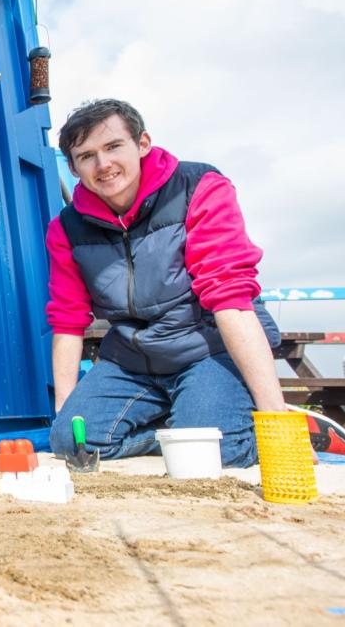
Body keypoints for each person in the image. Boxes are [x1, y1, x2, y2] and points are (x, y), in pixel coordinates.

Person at [46, 99, 284, 467]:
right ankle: (180, 427)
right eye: (87, 155)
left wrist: (278, 419)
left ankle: (227, 424)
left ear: (142, 144)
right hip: (132, 360)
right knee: (69, 445)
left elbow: (230, 299)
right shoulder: (66, 228)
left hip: (208, 349)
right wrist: (66, 414)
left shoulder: (198, 187)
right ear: (74, 168)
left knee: (218, 455)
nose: (103, 164)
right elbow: (67, 319)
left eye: (113, 147)